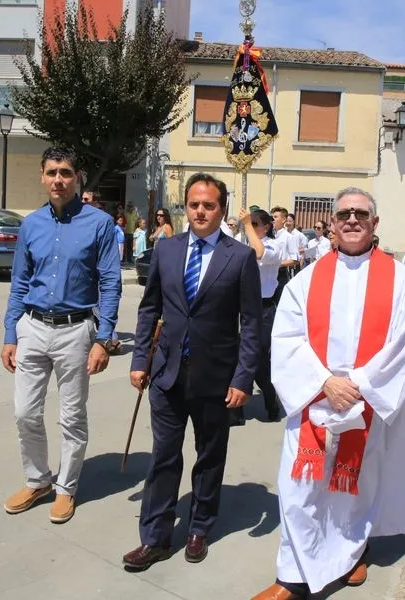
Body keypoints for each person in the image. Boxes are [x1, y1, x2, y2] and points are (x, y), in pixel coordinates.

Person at [252, 187, 405, 599]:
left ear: (375, 223)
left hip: (367, 400)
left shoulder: (401, 279)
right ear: (331, 223)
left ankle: (351, 552)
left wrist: (361, 385)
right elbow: (288, 337)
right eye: (344, 213)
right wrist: (324, 381)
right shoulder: (307, 279)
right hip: (315, 396)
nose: (352, 220)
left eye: (361, 213)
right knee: (300, 488)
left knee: (357, 485)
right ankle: (291, 577)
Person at [123, 172, 262, 571]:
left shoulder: (239, 258)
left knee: (209, 456)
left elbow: (251, 324)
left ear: (221, 210)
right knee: (164, 457)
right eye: (194, 204)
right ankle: (154, 538)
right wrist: (138, 361)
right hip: (166, 375)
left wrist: (242, 378)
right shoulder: (166, 250)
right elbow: (150, 308)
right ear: (186, 207)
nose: (201, 212)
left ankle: (200, 526)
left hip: (216, 380)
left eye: (210, 205)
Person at [1, 147, 122, 524]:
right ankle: (37, 480)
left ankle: (66, 488)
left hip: (75, 331)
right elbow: (19, 281)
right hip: (32, 327)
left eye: (66, 173)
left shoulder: (98, 224)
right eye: (52, 172)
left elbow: (110, 282)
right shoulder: (32, 224)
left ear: (77, 177)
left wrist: (103, 338)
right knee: (24, 413)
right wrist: (10, 332)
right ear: (42, 176)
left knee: (71, 417)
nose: (58, 179)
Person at [238, 207, 285, 423]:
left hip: (263, 309)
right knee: (238, 357)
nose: (251, 227)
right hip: (242, 307)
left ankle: (270, 400)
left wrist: (247, 224)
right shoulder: (244, 241)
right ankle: (236, 409)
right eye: (250, 223)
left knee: (258, 361)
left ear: (266, 227)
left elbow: (259, 253)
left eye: (255, 223)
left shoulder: (274, 246)